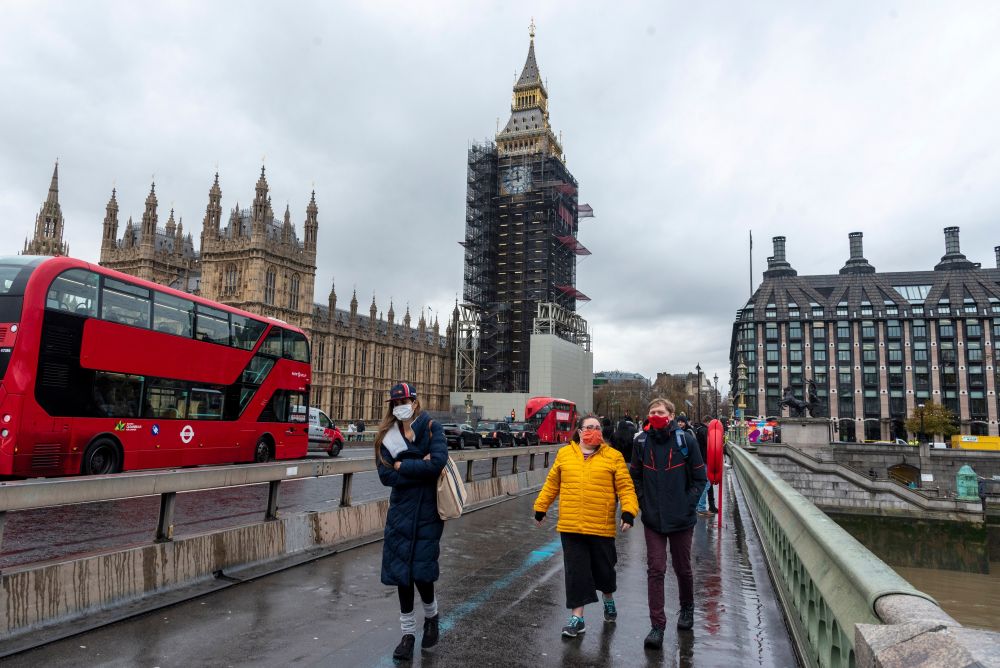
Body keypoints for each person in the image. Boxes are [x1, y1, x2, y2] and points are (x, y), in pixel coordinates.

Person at [534, 414, 639, 639]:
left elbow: (626, 487)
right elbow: (552, 484)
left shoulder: (613, 457)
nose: (594, 431)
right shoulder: (564, 454)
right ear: (580, 432)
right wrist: (540, 507)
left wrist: (629, 512)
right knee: (576, 572)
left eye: (598, 427)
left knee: (604, 569)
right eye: (589, 427)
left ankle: (608, 599)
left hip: (600, 526)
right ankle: (577, 618)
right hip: (571, 525)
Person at [375, 382, 448, 661]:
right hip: (400, 512)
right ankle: (407, 634)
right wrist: (421, 465)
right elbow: (385, 476)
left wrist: (404, 465)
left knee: (422, 571)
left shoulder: (431, 427)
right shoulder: (387, 436)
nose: (399, 406)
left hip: (428, 511)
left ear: (415, 401)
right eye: (395, 403)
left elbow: (437, 463)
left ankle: (431, 616)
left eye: (403, 401)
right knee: (401, 574)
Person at [630, 398, 708, 649]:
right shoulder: (641, 442)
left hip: (681, 518)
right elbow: (636, 476)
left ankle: (686, 607)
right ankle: (657, 626)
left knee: (682, 567)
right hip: (653, 517)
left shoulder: (686, 441)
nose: (656, 415)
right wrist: (644, 502)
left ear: (671, 415)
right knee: (656, 568)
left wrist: (688, 505)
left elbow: (700, 478)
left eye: (660, 412)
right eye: (652, 412)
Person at [694, 416, 717, 515]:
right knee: (706, 484)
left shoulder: (698, 430)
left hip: (699, 460)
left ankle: (698, 506)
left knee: (703, 483)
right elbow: (710, 445)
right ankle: (701, 507)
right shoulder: (705, 431)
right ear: (707, 422)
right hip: (705, 460)